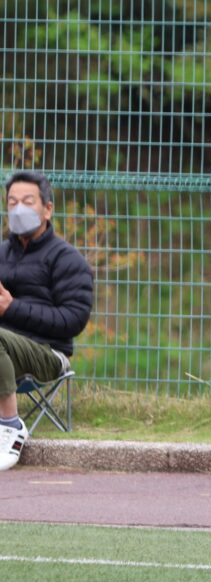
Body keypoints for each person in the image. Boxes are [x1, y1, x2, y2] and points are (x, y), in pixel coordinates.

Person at [0, 171, 94, 471]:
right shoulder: (1, 253)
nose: (18, 209)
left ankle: (10, 425)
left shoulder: (68, 259)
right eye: (12, 202)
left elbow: (73, 320)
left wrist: (12, 308)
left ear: (47, 209)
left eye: (28, 202)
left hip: (47, 353)